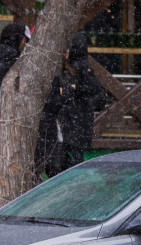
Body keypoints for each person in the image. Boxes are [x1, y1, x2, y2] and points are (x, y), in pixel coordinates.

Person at [49, 32, 106, 177]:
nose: (65, 52)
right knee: (68, 156)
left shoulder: (80, 66)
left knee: (68, 157)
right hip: (74, 121)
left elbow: (95, 91)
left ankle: (71, 181)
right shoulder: (72, 66)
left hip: (75, 121)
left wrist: (75, 89)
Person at [0, 23, 30, 137]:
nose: (25, 45)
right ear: (18, 39)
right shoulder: (12, 54)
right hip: (3, 106)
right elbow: (7, 79)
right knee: (7, 139)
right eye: (25, 41)